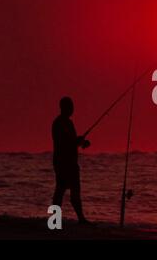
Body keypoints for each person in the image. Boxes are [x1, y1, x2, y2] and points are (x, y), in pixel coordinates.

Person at [52, 96, 91, 225]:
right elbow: (65, 142)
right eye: (70, 106)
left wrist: (82, 142)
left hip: (72, 163)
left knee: (75, 191)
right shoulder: (58, 123)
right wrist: (77, 141)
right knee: (60, 191)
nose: (72, 109)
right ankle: (55, 220)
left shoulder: (69, 123)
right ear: (63, 107)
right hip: (62, 162)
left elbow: (72, 141)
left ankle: (81, 219)